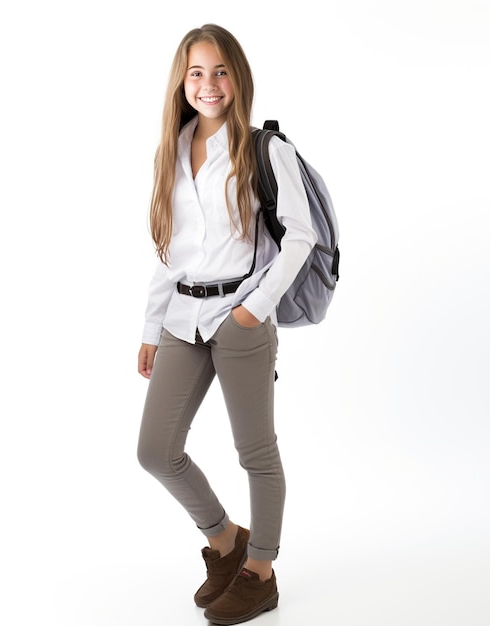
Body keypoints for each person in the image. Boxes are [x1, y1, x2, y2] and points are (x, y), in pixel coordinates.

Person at [137, 24, 316, 625]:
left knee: (255, 453)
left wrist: (252, 310)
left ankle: (259, 571)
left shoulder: (265, 149)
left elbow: (301, 236)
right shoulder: (173, 147)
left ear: (238, 78)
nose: (208, 84)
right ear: (181, 81)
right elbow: (170, 247)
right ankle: (224, 540)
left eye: (220, 71)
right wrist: (148, 326)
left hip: (240, 317)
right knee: (155, 452)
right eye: (196, 72)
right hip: (181, 319)